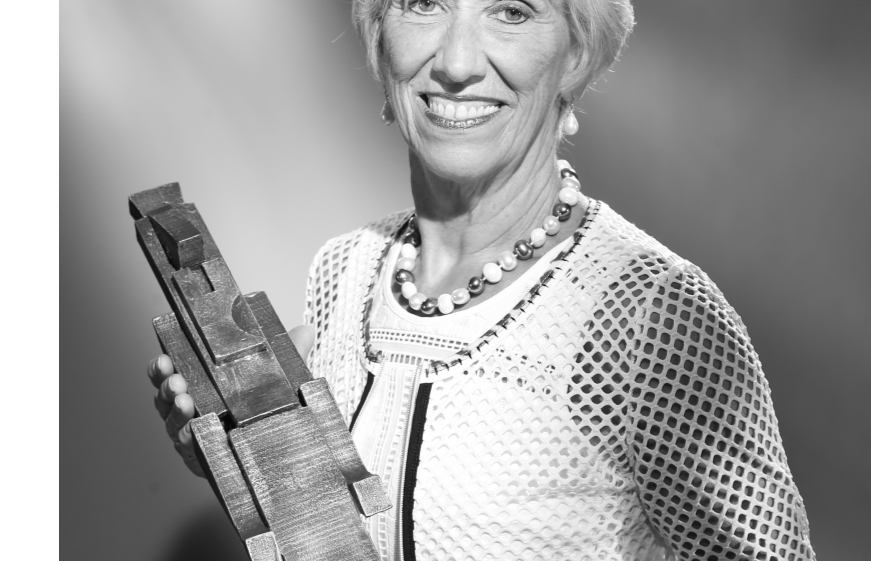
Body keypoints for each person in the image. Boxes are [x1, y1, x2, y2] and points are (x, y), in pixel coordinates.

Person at [147, 1, 817, 559]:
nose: (458, 62)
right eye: (422, 3)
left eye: (512, 11)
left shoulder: (650, 314)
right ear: (380, 41)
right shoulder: (342, 272)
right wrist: (251, 469)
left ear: (577, 55)